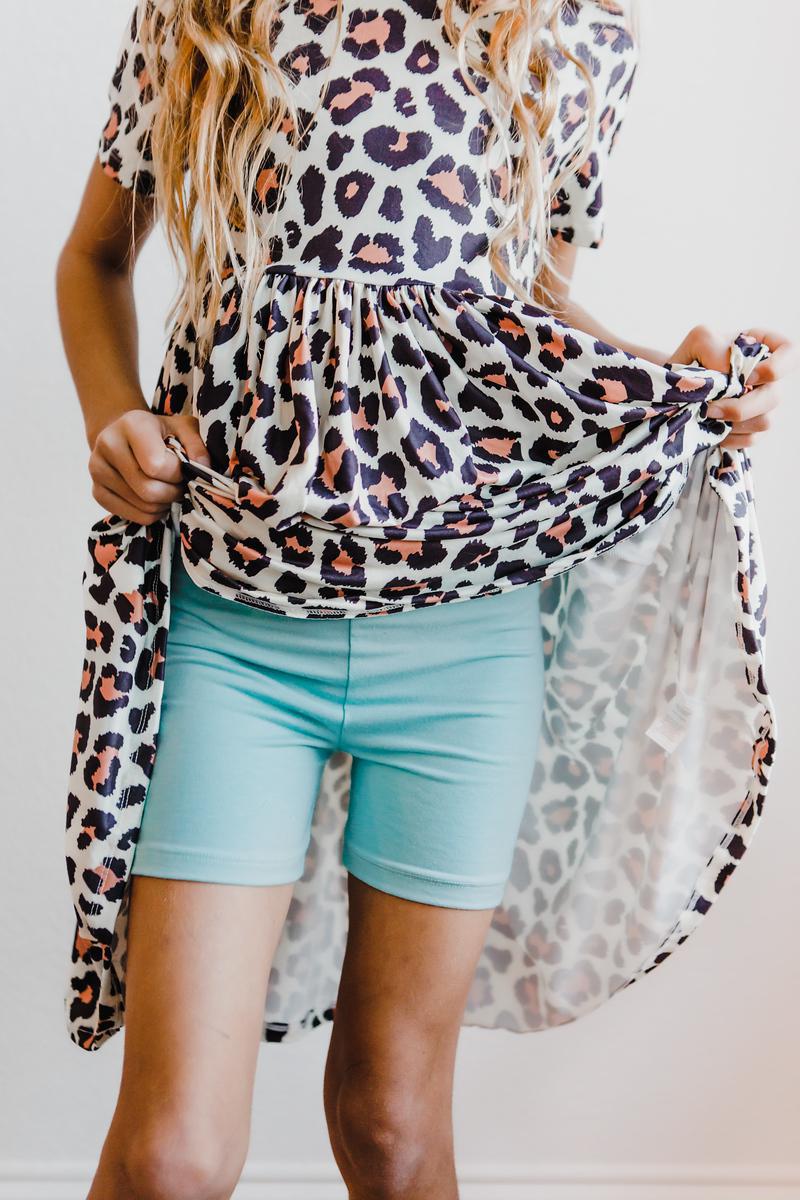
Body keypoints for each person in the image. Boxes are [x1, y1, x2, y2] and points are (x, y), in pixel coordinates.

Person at [55, 1, 795, 1197]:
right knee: (170, 1156)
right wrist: (114, 415)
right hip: (237, 628)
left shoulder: (572, 34)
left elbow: (521, 317)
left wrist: (663, 388)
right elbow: (93, 260)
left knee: (392, 1126)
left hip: (463, 642)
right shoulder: (199, 14)